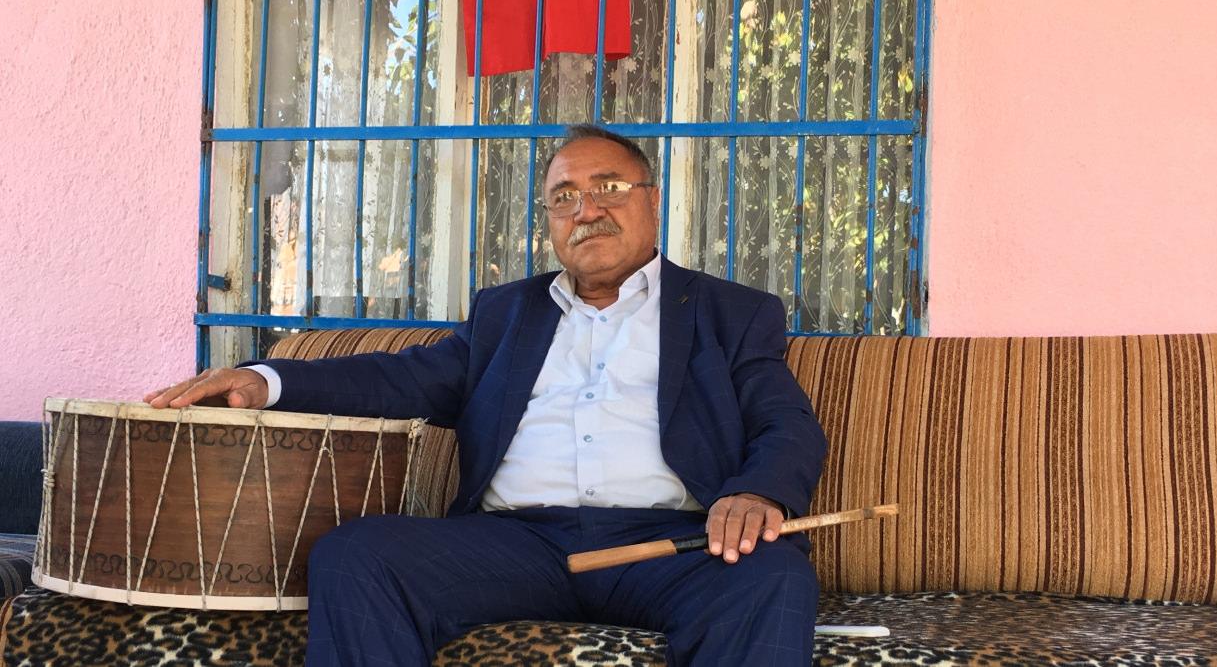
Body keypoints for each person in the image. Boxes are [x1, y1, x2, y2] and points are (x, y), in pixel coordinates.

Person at [147, 124, 828, 666]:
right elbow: (402, 378)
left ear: (652, 199)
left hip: (672, 546)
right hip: (514, 544)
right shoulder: (508, 312)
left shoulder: (729, 312)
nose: (587, 209)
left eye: (609, 187)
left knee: (770, 576)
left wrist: (758, 493)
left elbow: (785, 420)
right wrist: (267, 379)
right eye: (564, 196)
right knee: (358, 555)